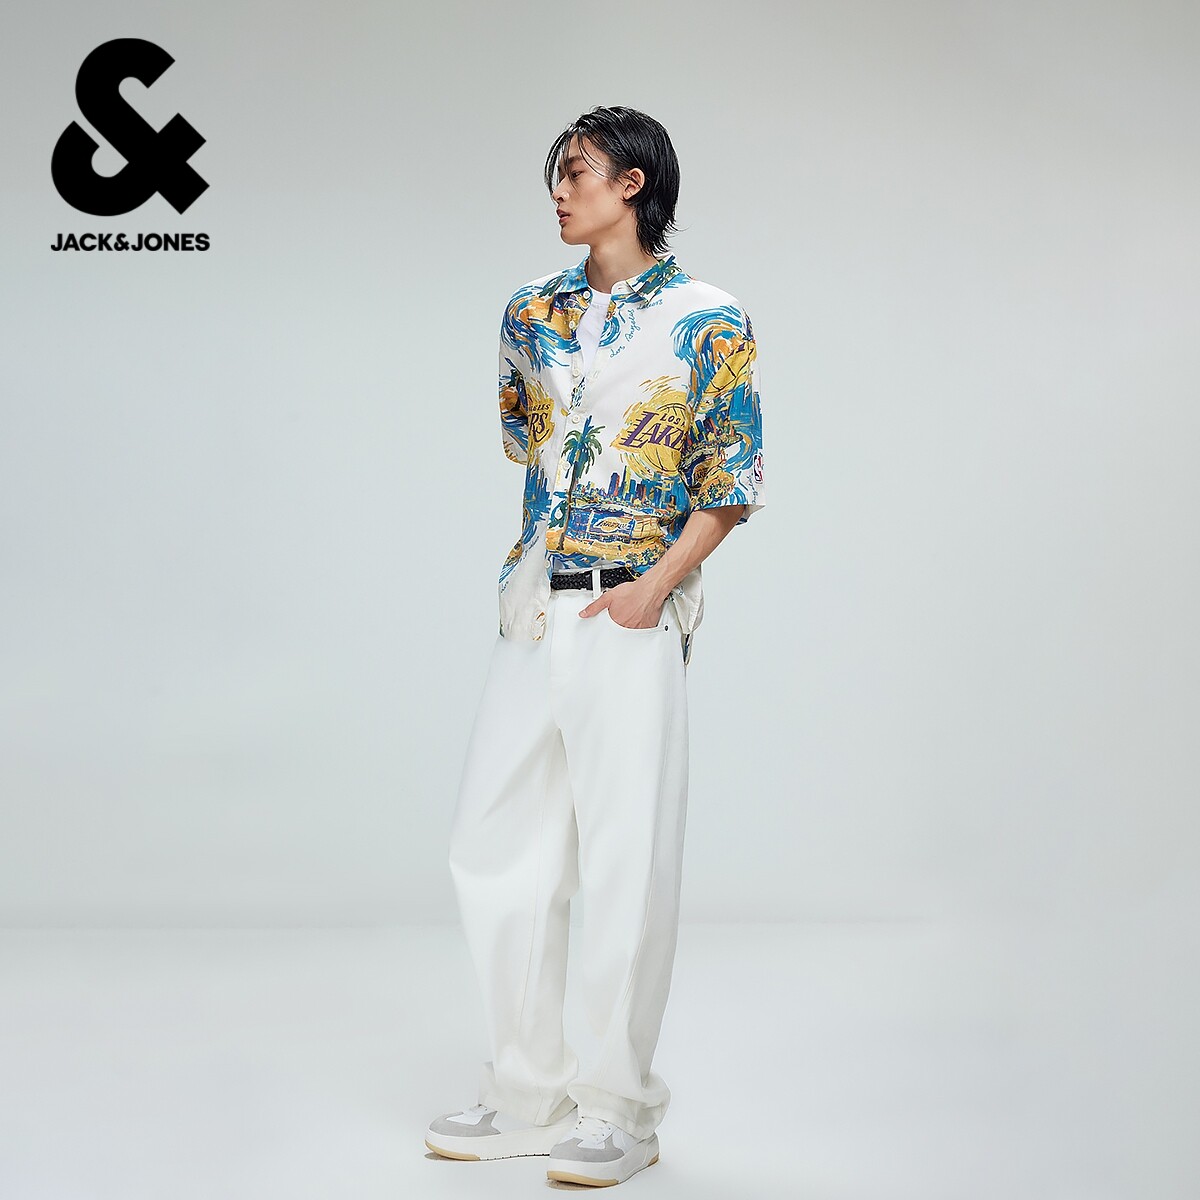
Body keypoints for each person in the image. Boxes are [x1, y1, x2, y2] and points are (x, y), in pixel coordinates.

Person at [424, 105, 766, 1188]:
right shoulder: (531, 310)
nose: (559, 192)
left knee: (627, 858)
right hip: (534, 607)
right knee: (495, 844)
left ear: (633, 184)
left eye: (576, 173)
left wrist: (653, 589)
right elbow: (522, 439)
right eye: (556, 175)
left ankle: (618, 1109)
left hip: (632, 610)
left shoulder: (710, 320)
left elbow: (732, 482)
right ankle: (527, 1091)